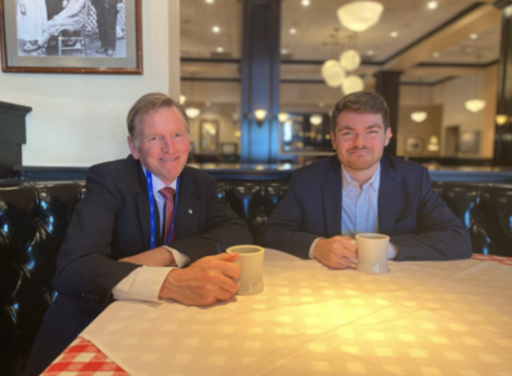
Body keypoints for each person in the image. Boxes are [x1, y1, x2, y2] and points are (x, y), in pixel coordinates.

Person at [24, 93, 253, 375]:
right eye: (155, 138)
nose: (170, 147)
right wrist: (170, 282)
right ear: (134, 147)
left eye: (177, 134)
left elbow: (238, 232)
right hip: (95, 324)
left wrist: (165, 255)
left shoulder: (199, 183)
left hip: (165, 326)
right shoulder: (109, 180)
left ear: (189, 140)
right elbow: (75, 268)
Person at [259, 91, 472, 268]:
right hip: (326, 286)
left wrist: (386, 249)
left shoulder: (413, 178)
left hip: (398, 286)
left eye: (371, 131)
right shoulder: (307, 180)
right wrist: (317, 246)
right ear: (334, 139)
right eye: (348, 133)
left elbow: (457, 239)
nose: (360, 143)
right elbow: (270, 233)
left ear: (387, 136)